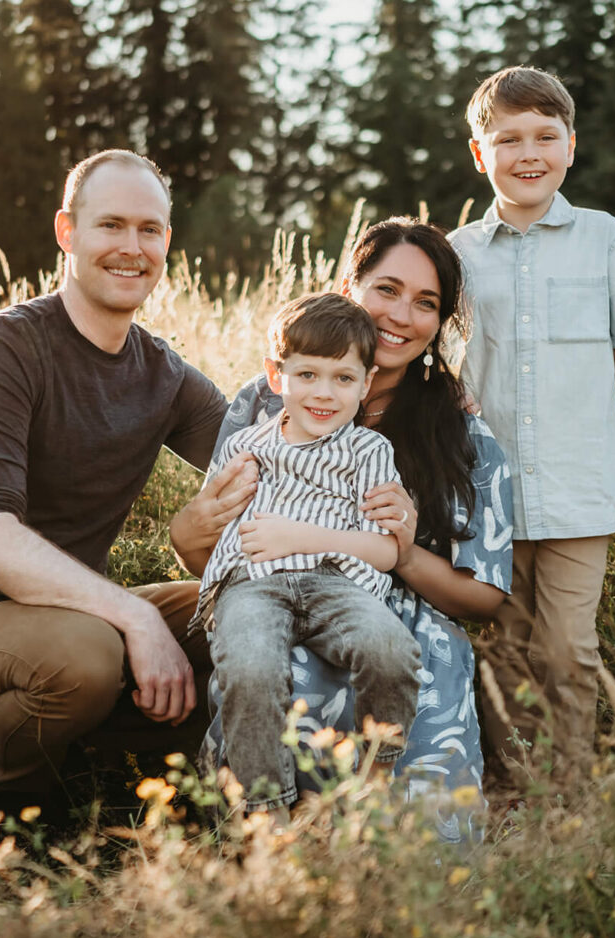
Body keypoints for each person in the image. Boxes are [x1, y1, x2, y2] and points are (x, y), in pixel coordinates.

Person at [0, 150, 227, 815]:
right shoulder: (4, 347)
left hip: (67, 619)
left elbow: (273, 451)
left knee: (250, 608)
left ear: (166, 243)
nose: (132, 248)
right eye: (111, 226)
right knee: (90, 655)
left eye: (149, 230)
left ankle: (147, 792)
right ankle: (6, 825)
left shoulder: (164, 374)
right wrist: (134, 615)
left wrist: (400, 395)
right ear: (67, 232)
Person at [172, 219, 514, 841]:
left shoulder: (461, 430)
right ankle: (267, 840)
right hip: (270, 593)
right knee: (267, 677)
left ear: (440, 325)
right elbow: (215, 543)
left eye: (426, 303)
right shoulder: (264, 401)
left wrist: (397, 552)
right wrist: (191, 529)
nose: (401, 315)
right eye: (386, 289)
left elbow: (485, 597)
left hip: (404, 620)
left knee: (425, 830)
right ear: (349, 288)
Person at [450, 65, 615, 776]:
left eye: (546, 135)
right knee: (506, 647)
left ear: (572, 145)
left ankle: (571, 791)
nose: (529, 153)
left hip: (581, 489)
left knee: (567, 648)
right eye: (508, 139)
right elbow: (442, 364)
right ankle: (518, 785)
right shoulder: (457, 254)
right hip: (490, 496)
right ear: (481, 154)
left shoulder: (603, 237)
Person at [200, 292, 423, 814]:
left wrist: (302, 537)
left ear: (366, 383)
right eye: (307, 376)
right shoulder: (245, 447)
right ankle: (267, 813)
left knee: (391, 650)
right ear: (276, 376)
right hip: (252, 583)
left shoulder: (370, 452)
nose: (324, 394)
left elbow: (387, 554)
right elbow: (211, 524)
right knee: (250, 669)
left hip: (336, 585)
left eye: (343, 379)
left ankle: (372, 783)